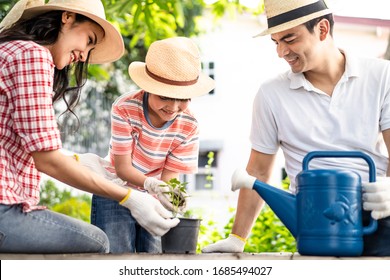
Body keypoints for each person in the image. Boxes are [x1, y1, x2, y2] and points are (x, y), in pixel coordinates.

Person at [202, 0, 390, 256]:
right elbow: (257, 170)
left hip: (377, 207)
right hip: (314, 216)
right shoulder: (271, 94)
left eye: (289, 39)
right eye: (276, 42)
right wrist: (237, 238)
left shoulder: (382, 76)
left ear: (322, 29)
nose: (281, 52)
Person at [0, 0, 179, 254]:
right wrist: (128, 197)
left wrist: (84, 162)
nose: (84, 55)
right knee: (97, 242)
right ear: (68, 17)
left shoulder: (10, 51)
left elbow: (24, 145)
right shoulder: (33, 55)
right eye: (89, 39)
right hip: (4, 210)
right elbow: (47, 160)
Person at [77, 36, 215, 253]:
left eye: (183, 98)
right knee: (118, 255)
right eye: (165, 96)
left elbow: (170, 177)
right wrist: (151, 184)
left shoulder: (188, 124)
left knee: (152, 257)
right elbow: (122, 169)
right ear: (148, 87)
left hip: (154, 200)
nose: (174, 106)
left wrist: (171, 194)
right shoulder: (125, 108)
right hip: (115, 190)